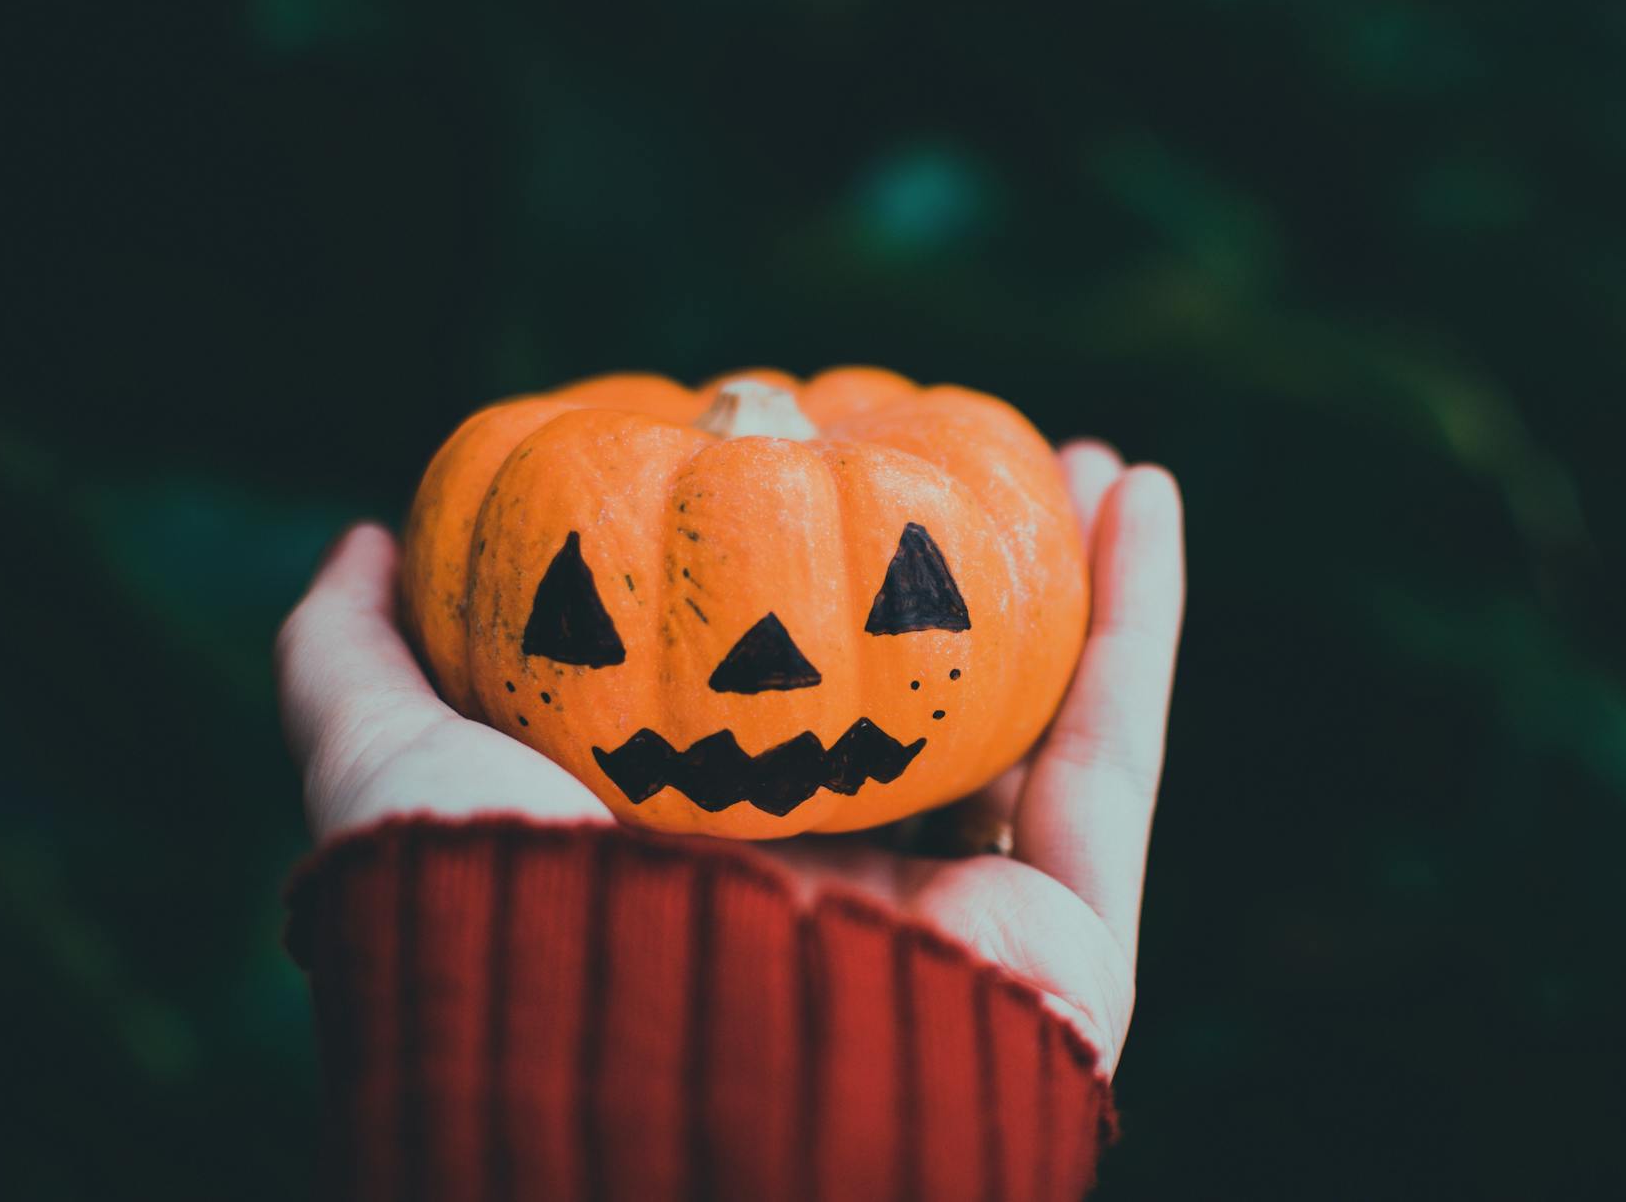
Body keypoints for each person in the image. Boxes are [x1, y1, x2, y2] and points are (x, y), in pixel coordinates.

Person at [277, 440, 1185, 1201]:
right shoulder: (544, 455)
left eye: (913, 595)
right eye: (579, 615)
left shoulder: (944, 455)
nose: (768, 678)